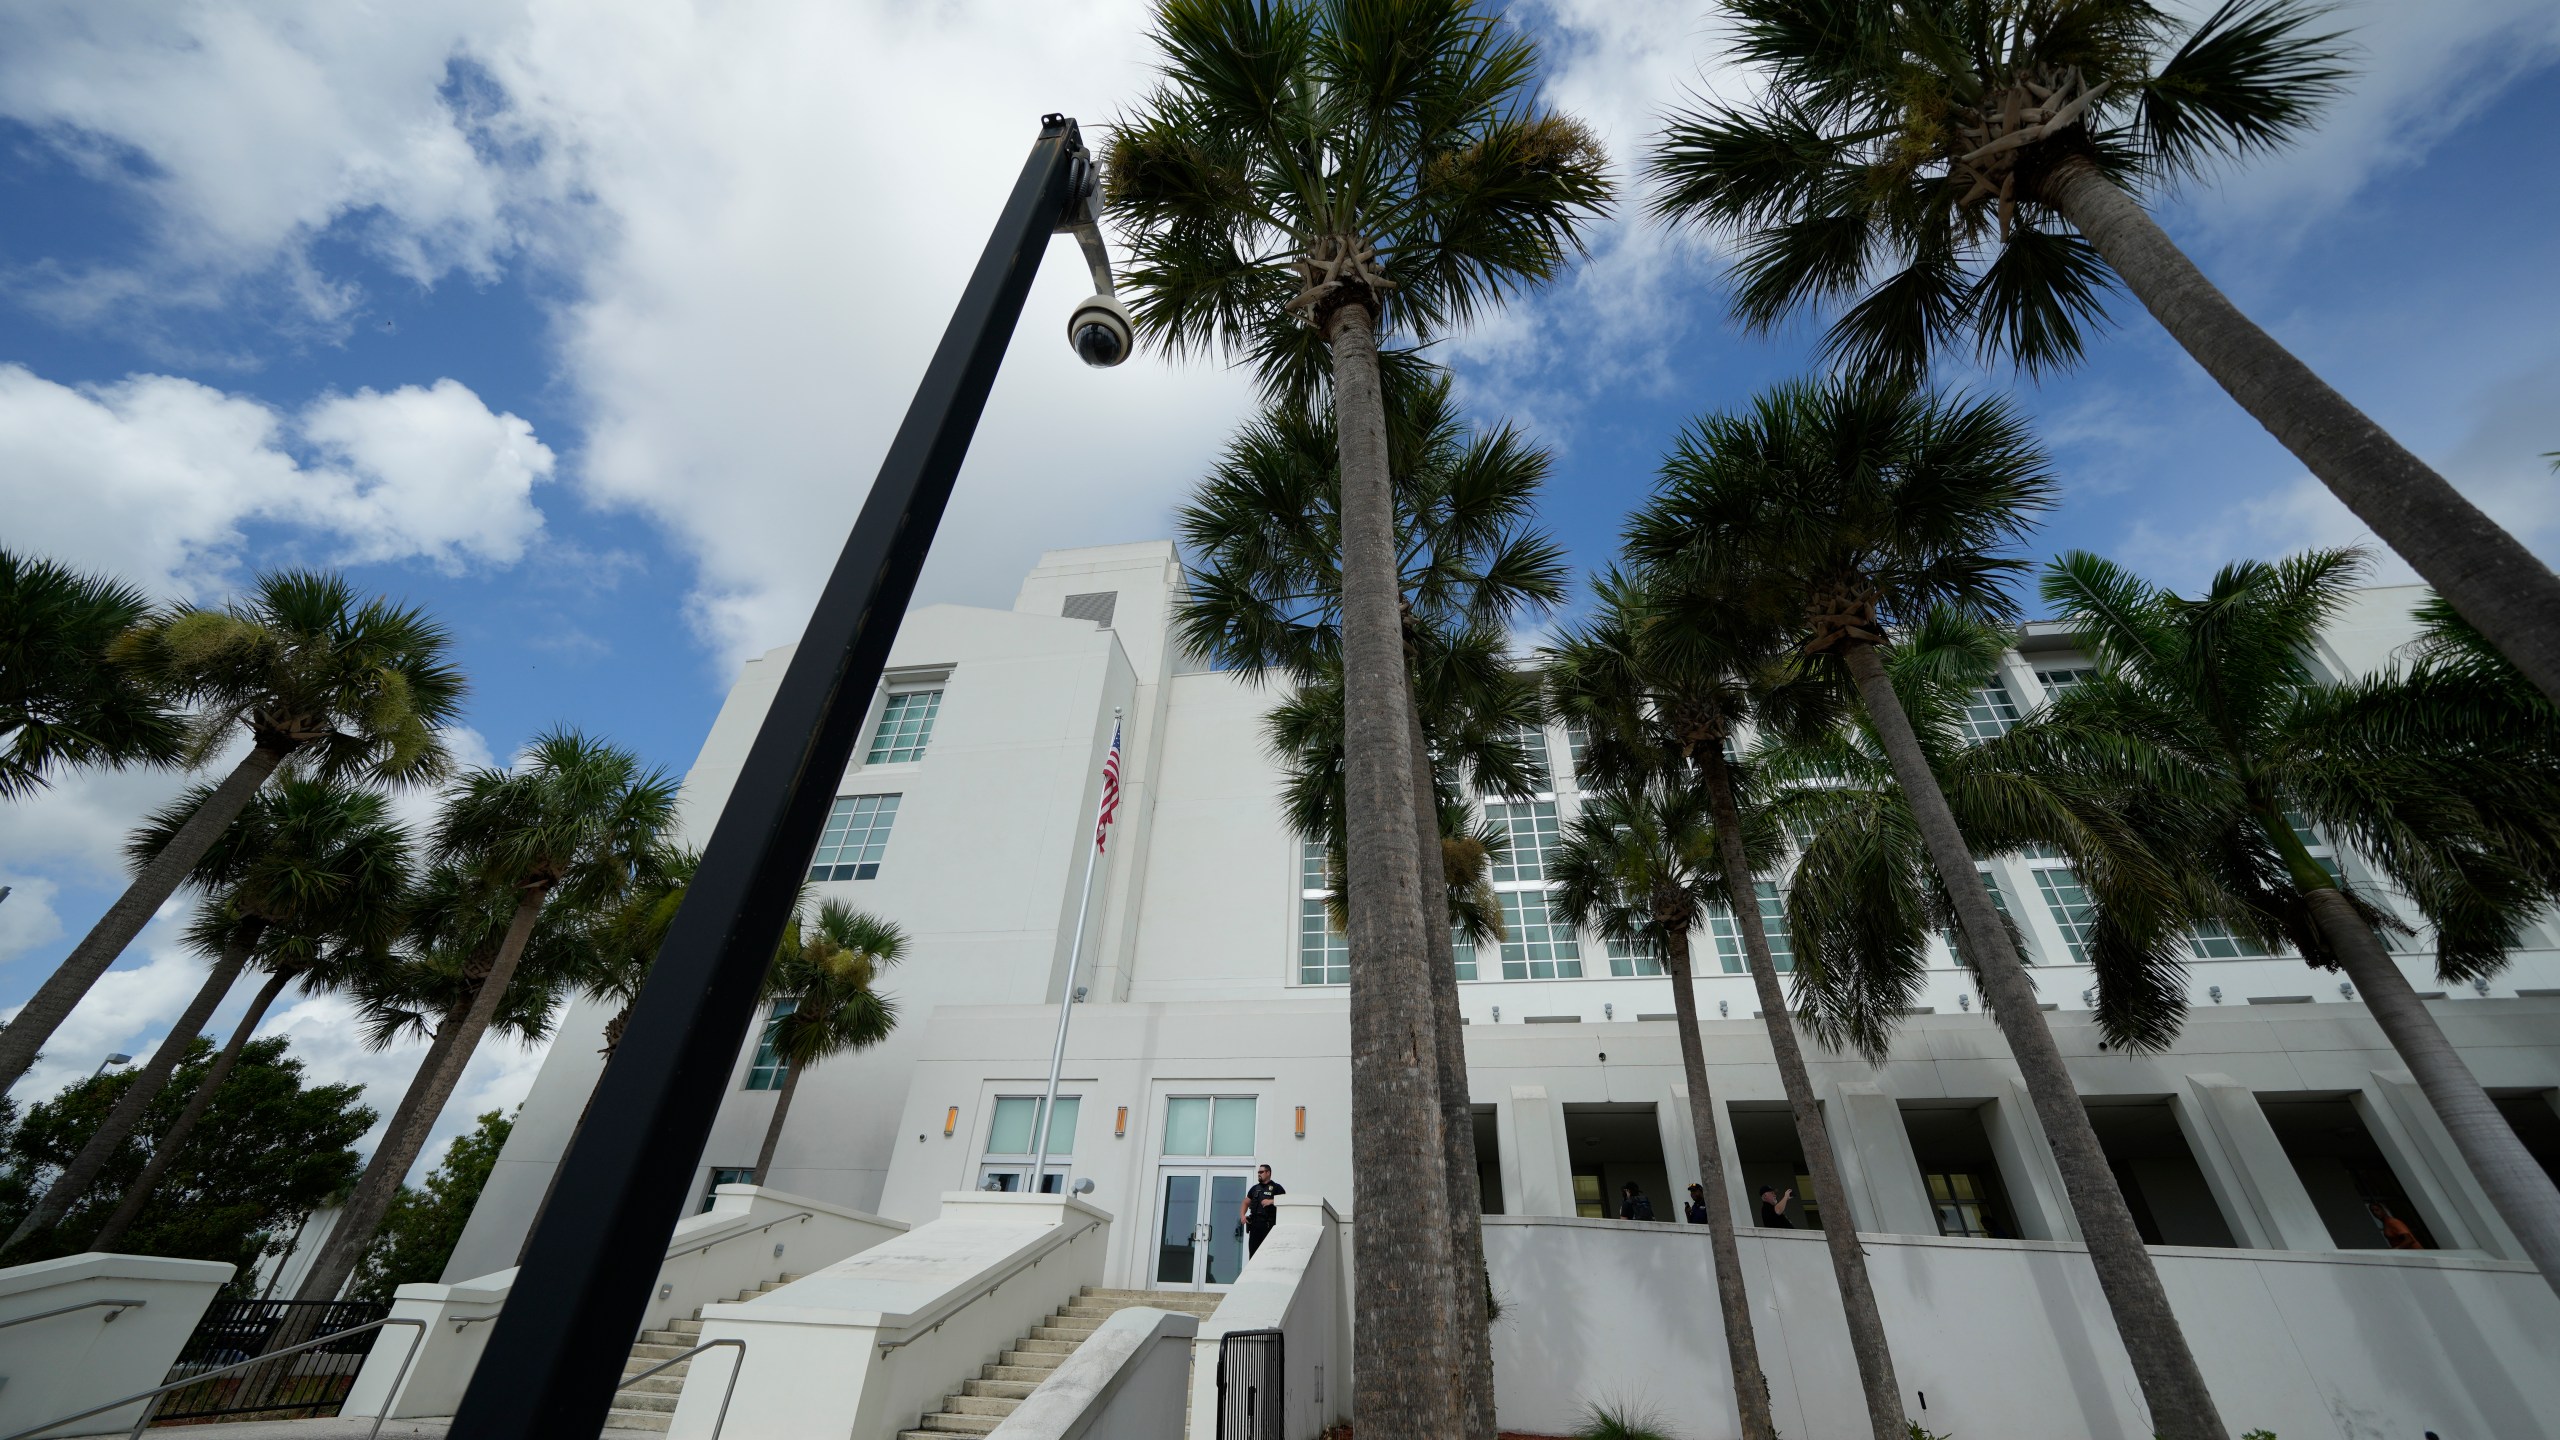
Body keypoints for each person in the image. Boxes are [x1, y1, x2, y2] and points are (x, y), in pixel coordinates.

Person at [1241, 1164, 1286, 1255]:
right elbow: (1246, 1202)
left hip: (1269, 1225)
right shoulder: (1255, 1189)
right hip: (1254, 1226)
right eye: (1258, 1172)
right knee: (1253, 1254)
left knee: (1268, 1253)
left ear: (1268, 1173)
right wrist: (1242, 1216)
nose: (1259, 1174)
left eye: (1261, 1172)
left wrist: (1271, 1201)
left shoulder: (1277, 1188)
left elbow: (1285, 1201)